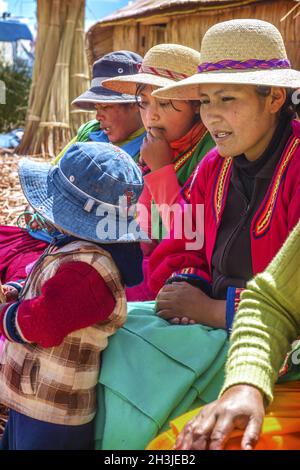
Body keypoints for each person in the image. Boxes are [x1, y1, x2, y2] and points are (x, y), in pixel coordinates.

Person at [94, 20, 300, 450]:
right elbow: (186, 241)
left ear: (275, 98)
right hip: (205, 323)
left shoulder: (295, 167)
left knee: (158, 426)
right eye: (205, 100)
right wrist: (188, 282)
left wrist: (212, 310)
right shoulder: (216, 166)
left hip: (271, 349)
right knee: (99, 342)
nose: (212, 115)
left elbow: (287, 301)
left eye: (228, 99)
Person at [0, 141, 147, 450]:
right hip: (30, 398)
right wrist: (15, 291)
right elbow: (48, 287)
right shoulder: (72, 248)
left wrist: (5, 316)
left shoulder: (90, 271)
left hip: (53, 414)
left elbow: (45, 322)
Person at [148, 221, 300, 450]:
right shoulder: (204, 183)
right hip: (246, 335)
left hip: (274, 349)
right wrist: (246, 386)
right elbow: (277, 302)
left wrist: (213, 310)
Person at [0, 50, 145, 286]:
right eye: (96, 106)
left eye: (106, 107)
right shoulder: (90, 132)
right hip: (41, 232)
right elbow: (53, 175)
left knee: (31, 277)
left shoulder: (144, 154)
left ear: (136, 105)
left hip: (71, 244)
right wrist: (40, 209)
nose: (98, 115)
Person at [102, 43, 215, 301]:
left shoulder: (212, 152)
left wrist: (161, 171)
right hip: (154, 262)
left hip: (192, 278)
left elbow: (191, 236)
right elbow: (146, 236)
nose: (151, 116)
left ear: (196, 104)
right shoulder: (157, 148)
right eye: (143, 103)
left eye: (164, 103)